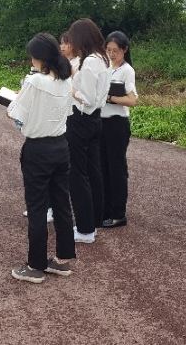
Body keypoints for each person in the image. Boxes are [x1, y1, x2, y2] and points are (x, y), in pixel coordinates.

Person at [7, 33, 76, 283]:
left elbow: (14, 112)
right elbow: (66, 112)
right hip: (60, 146)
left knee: (37, 207)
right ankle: (63, 259)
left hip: (37, 149)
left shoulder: (35, 82)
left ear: (39, 58)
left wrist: (16, 98)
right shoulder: (66, 82)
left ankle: (35, 265)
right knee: (61, 203)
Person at [66, 19, 111, 243]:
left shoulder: (90, 62)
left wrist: (71, 89)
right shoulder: (102, 59)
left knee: (78, 173)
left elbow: (89, 98)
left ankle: (84, 229)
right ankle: (93, 222)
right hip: (94, 120)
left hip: (82, 119)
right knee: (93, 172)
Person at [100, 31, 138, 228]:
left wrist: (109, 98)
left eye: (115, 51)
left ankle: (118, 213)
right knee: (102, 168)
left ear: (124, 50)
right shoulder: (105, 68)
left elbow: (132, 100)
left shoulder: (126, 71)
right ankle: (104, 209)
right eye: (108, 50)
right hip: (101, 123)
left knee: (116, 169)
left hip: (116, 123)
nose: (111, 54)